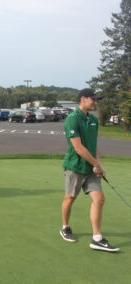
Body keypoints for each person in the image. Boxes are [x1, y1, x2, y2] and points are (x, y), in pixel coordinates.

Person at [60, 88, 119, 252]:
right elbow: (78, 147)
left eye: (96, 99)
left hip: (91, 169)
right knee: (69, 199)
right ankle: (65, 227)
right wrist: (96, 164)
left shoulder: (93, 120)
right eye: (93, 99)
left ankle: (97, 238)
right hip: (75, 167)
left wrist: (100, 164)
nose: (95, 102)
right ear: (83, 99)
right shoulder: (72, 119)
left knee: (99, 199)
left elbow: (93, 144)